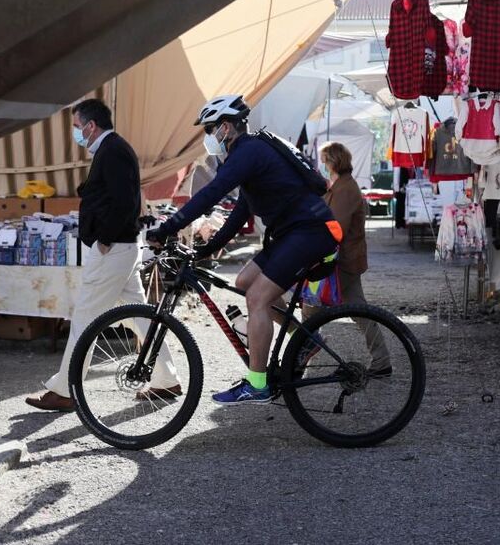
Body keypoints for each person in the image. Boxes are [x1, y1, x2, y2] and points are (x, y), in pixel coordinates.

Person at [147, 95, 341, 405]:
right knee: (243, 282)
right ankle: (306, 340)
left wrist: (168, 228)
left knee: (257, 298)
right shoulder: (249, 153)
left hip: (310, 232)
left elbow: (211, 194)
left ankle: (257, 384)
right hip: (292, 233)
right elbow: (241, 211)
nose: (208, 138)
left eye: (209, 130)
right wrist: (210, 247)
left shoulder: (248, 152)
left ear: (225, 127)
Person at [26, 99, 179, 412]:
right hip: (119, 248)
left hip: (113, 249)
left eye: (76, 127)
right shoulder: (113, 150)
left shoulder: (113, 151)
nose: (76, 134)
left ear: (90, 126)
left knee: (86, 317)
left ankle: (66, 389)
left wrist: (105, 239)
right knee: (140, 316)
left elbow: (125, 201)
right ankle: (166, 379)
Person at [303, 142, 391, 375]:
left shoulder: (345, 189)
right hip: (344, 259)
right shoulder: (341, 186)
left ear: (333, 161)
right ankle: (382, 362)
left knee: (315, 308)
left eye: (324, 160)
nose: (322, 164)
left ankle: (300, 357)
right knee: (350, 311)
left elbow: (335, 228)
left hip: (343, 261)